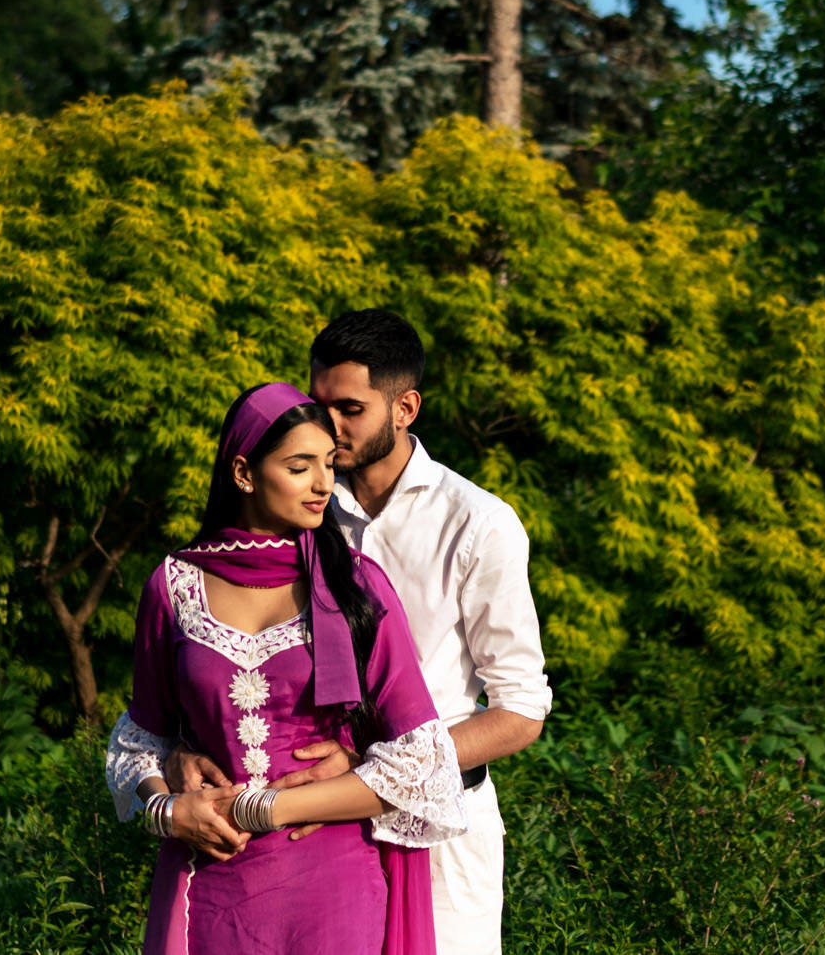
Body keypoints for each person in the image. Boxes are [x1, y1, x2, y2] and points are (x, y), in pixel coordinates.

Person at [171, 312, 551, 955]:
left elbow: (520, 712)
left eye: (349, 408)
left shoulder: (478, 524)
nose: (328, 426)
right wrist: (185, 749)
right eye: (317, 405)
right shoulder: (297, 505)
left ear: (405, 407)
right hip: (303, 837)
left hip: (437, 835)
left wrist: (377, 768)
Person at [104, 381, 468, 955]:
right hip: (211, 878)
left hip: (335, 882)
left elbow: (421, 762)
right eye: (301, 466)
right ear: (244, 473)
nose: (325, 484)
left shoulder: (355, 587)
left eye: (328, 463)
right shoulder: (173, 586)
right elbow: (141, 741)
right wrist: (166, 811)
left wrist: (267, 805)